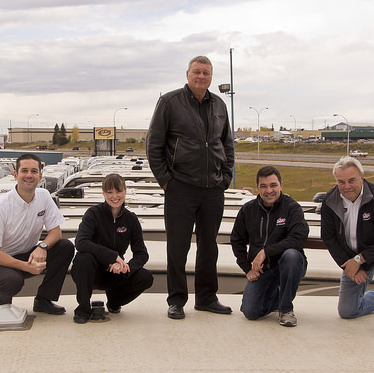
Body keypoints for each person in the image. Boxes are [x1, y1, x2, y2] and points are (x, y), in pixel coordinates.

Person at [146, 55, 234, 319]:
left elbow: (226, 143)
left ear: (211, 76)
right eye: (197, 72)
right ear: (187, 74)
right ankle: (176, 300)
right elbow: (153, 146)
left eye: (206, 73)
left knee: (209, 246)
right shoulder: (169, 102)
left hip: (212, 189)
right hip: (180, 188)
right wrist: (167, 181)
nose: (201, 77)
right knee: (178, 246)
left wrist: (226, 176)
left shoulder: (219, 105)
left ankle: (206, 298)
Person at [230, 166, 309, 327]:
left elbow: (298, 238)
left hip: (288, 265)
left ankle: (286, 309)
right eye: (263, 186)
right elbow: (236, 240)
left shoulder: (292, 208)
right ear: (257, 188)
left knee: (292, 256)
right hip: (263, 269)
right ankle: (277, 296)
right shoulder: (248, 210)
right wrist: (247, 268)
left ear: (281, 185)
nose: (269, 191)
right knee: (250, 312)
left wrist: (265, 252)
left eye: (273, 185)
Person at [71, 173, 153, 324]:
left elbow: (142, 253)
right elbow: (81, 242)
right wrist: (112, 256)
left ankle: (114, 302)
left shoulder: (131, 219)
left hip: (115, 272)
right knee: (83, 258)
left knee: (145, 277)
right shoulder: (93, 214)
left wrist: (126, 266)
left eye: (118, 191)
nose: (114, 196)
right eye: (109, 192)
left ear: (125, 191)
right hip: (92, 271)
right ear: (103, 193)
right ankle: (83, 308)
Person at [0, 153, 74, 315]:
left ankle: (43, 300)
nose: (29, 175)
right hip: (3, 261)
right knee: (12, 281)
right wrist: (25, 266)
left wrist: (42, 246)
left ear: (40, 176)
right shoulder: (2, 206)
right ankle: (3, 309)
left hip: (27, 255)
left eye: (34, 171)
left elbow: (55, 232)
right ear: (15, 175)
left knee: (65, 247)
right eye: (24, 171)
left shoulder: (44, 196)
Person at [321, 156, 374, 319]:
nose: (347, 186)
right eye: (341, 182)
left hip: (367, 254)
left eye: (352, 180)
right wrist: (350, 265)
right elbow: (329, 238)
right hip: (353, 258)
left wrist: (360, 259)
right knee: (348, 310)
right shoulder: (330, 201)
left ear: (362, 178)